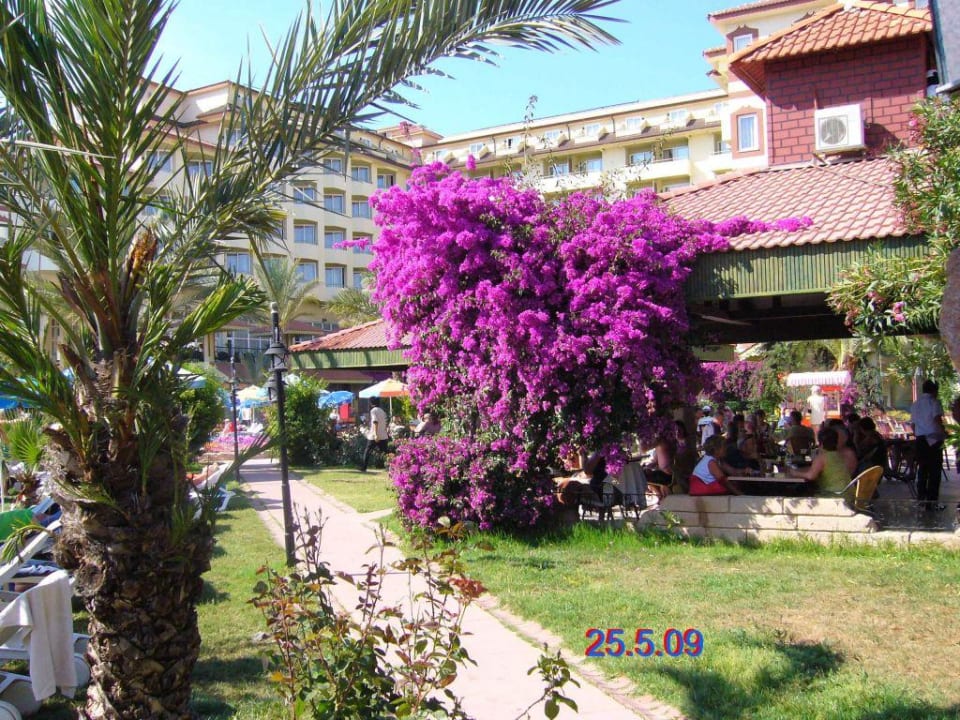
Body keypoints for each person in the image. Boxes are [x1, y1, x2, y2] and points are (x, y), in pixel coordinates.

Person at [910, 379, 946, 509]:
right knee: (934, 471)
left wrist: (918, 434)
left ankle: (921, 499)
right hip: (934, 440)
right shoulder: (934, 402)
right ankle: (932, 501)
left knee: (923, 470)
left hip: (921, 440)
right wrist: (944, 432)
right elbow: (937, 419)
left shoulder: (915, 404)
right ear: (934, 391)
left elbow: (913, 424)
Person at [788, 426, 851, 495]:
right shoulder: (837, 455)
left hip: (834, 495)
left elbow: (811, 476)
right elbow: (819, 469)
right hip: (847, 494)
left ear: (821, 443)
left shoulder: (822, 457)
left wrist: (794, 472)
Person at [360, 398, 389, 472]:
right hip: (383, 435)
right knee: (385, 452)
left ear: (371, 403)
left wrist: (376, 434)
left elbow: (375, 422)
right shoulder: (382, 411)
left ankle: (363, 467)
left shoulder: (373, 411)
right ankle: (390, 467)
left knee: (367, 451)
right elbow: (385, 423)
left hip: (374, 435)